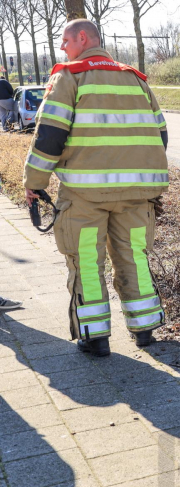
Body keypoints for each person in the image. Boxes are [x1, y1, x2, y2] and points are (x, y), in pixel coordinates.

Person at [23, 19, 168, 357]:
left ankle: (96, 337)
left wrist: (34, 184)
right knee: (134, 257)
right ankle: (145, 329)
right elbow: (160, 136)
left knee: (87, 261)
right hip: (135, 194)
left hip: (84, 195)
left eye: (65, 40)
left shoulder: (68, 77)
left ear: (83, 38)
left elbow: (49, 138)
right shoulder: (136, 79)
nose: (62, 47)